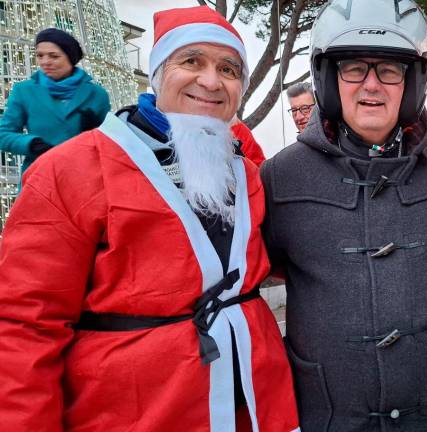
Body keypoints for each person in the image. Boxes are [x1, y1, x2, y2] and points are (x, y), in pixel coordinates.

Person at [0, 6, 299, 431]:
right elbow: (24, 326)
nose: (211, 81)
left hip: (257, 408)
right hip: (136, 414)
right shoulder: (68, 171)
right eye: (191, 60)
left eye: (229, 69)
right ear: (159, 72)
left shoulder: (248, 172)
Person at [260, 0, 427, 430]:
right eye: (354, 68)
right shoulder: (282, 174)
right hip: (329, 412)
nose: (371, 85)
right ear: (326, 78)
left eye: (390, 70)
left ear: (413, 81)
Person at [0, 27, 110, 182]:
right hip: (39, 178)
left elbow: (108, 141)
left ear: (70, 58)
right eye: (40, 55)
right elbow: (3, 134)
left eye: (54, 56)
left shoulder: (97, 94)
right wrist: (31, 143)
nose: (45, 62)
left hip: (83, 180)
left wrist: (92, 135)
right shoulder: (23, 90)